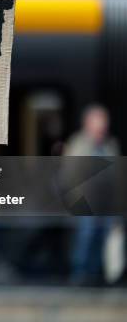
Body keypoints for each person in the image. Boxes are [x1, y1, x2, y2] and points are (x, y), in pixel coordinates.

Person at [64, 104, 120, 286]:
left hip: (106, 203)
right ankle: (80, 273)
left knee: (102, 236)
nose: (103, 125)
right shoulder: (78, 144)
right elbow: (70, 174)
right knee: (85, 235)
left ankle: (95, 275)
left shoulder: (110, 145)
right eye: (99, 121)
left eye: (104, 121)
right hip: (85, 200)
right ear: (88, 123)